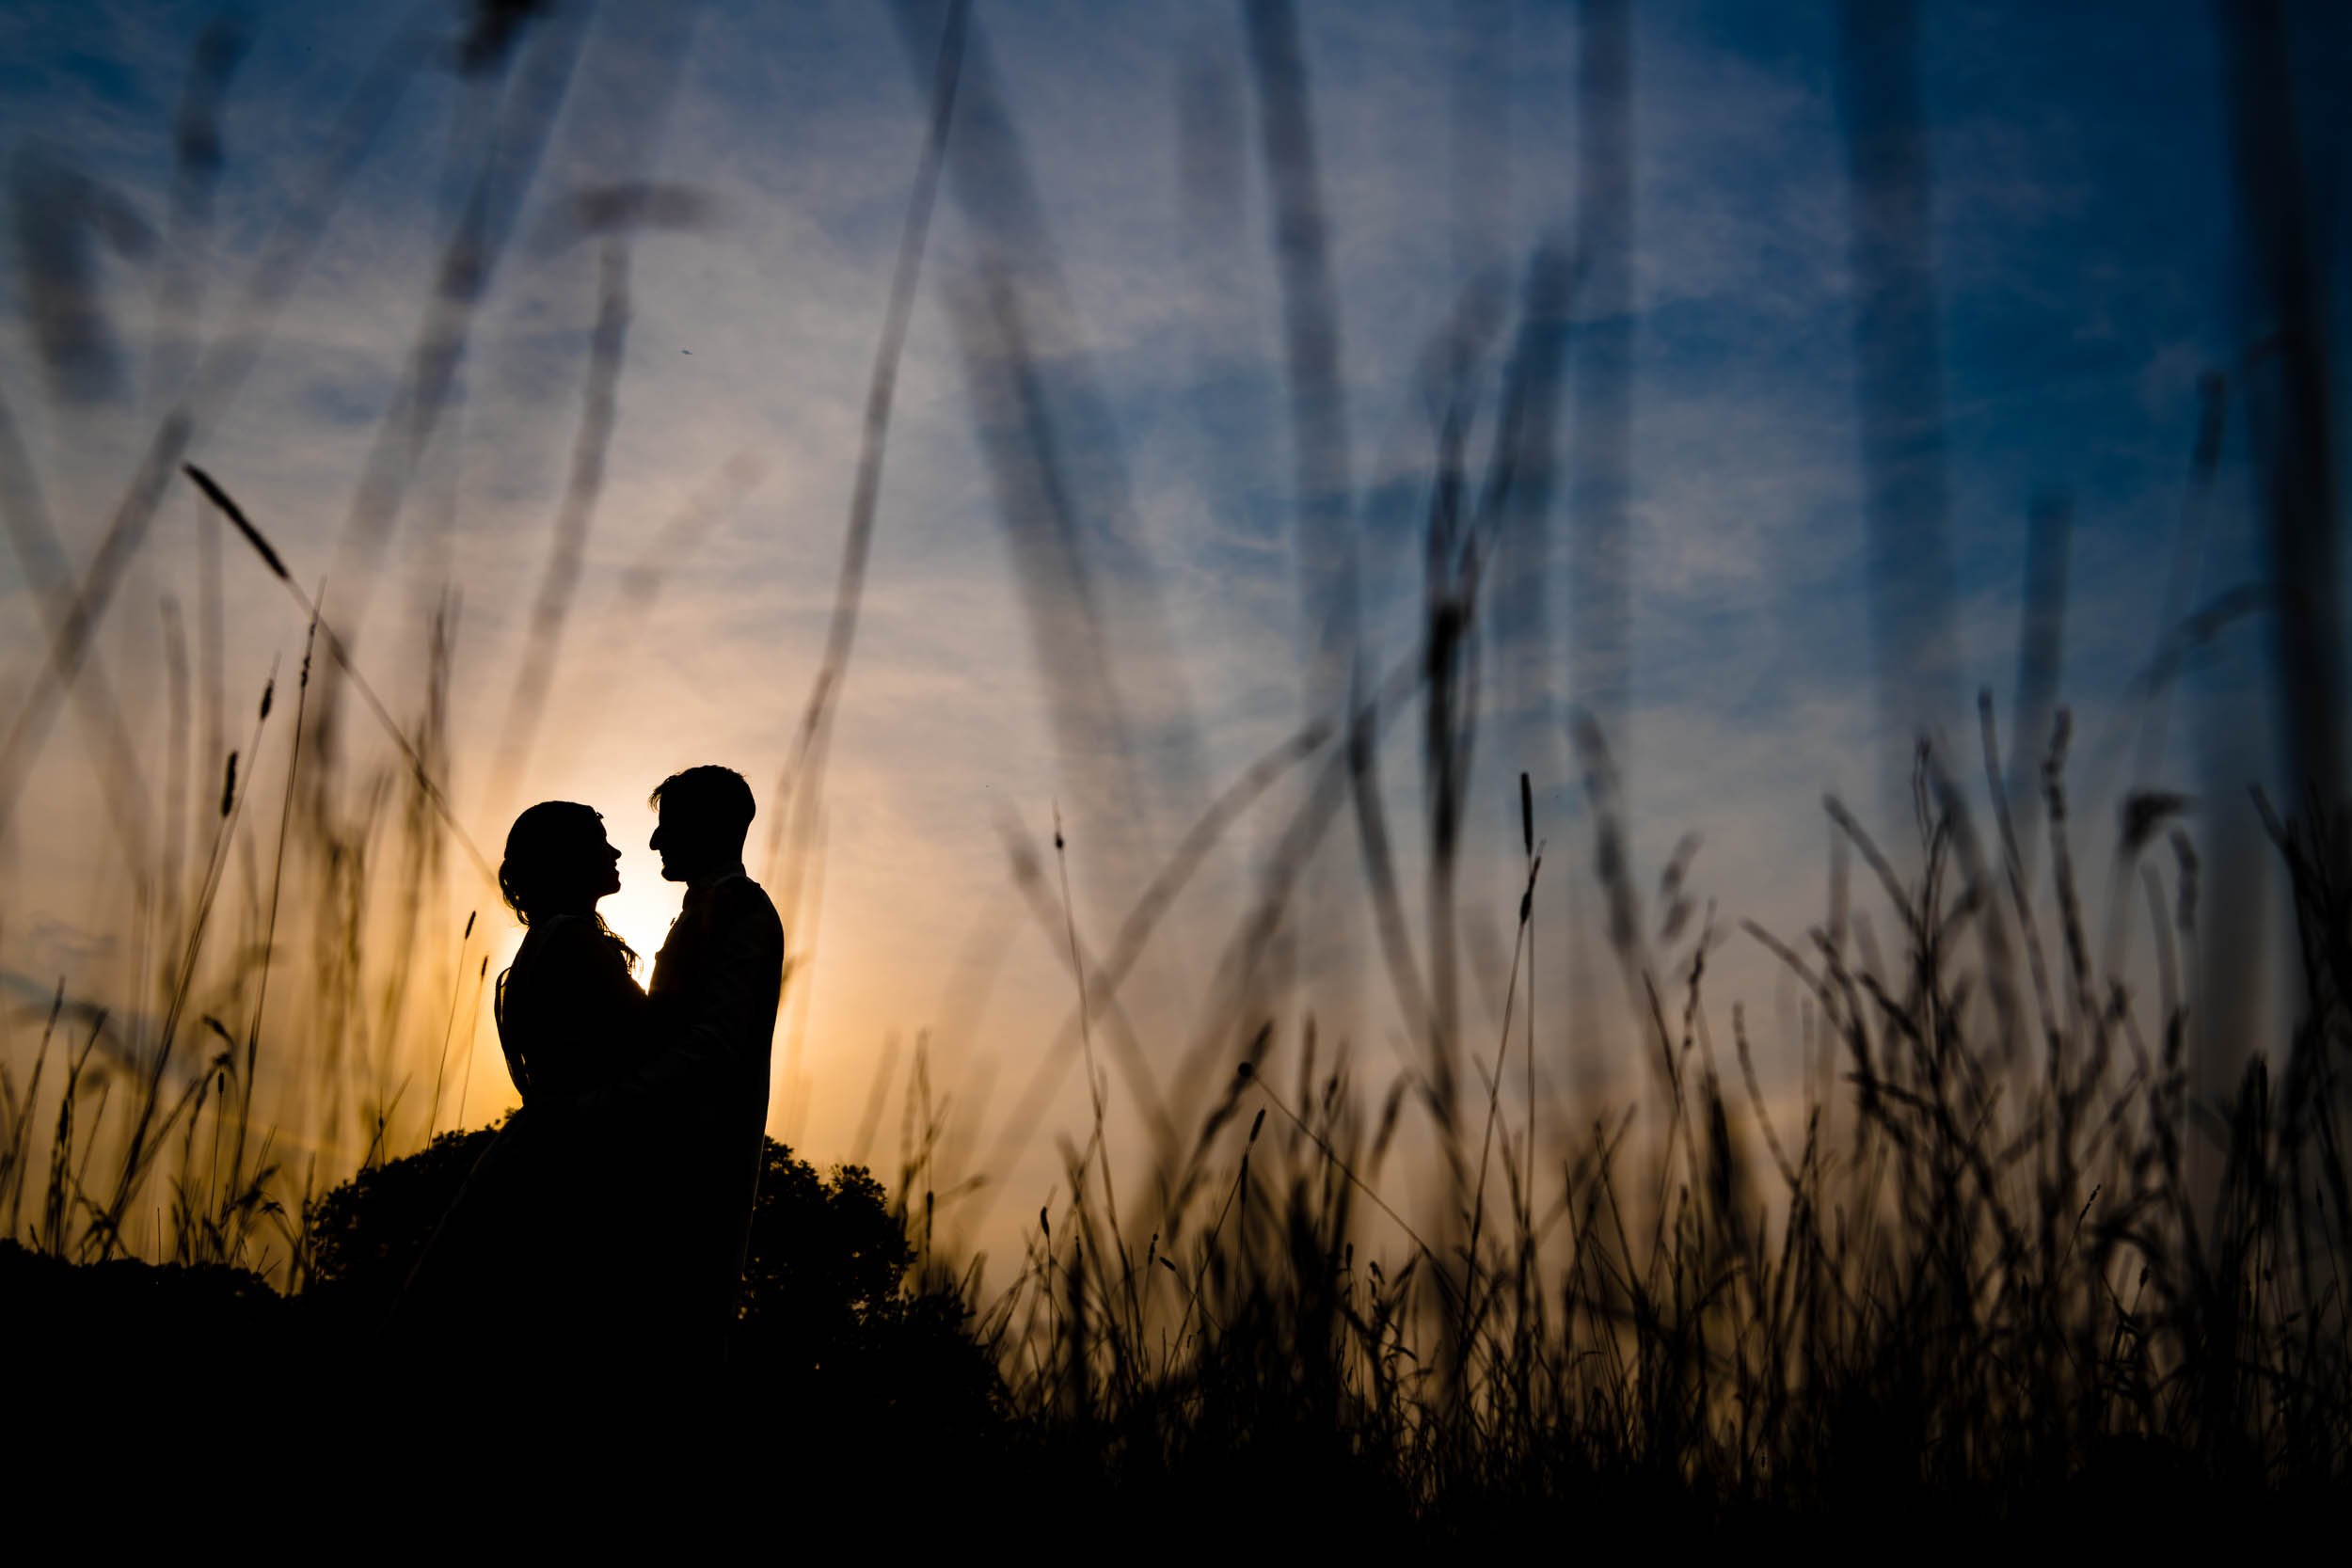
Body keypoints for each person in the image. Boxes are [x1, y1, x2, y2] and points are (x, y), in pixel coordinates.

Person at [398, 800, 648, 1368]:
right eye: (598, 842)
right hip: (574, 1165)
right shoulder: (574, 944)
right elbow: (648, 1043)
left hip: (546, 1149)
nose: (613, 852)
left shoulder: (546, 943)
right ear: (565, 859)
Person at [604, 765, 786, 1368]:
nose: (655, 842)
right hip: (665, 1166)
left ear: (710, 828)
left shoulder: (744, 912)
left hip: (700, 1172)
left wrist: (614, 1101)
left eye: (669, 827)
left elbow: (715, 1046)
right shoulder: (706, 909)